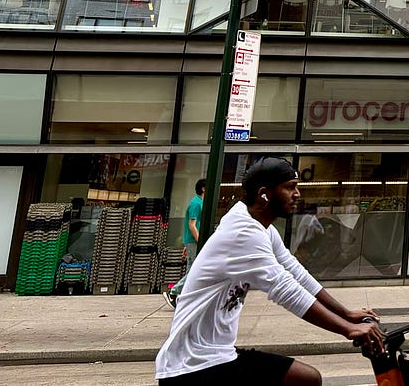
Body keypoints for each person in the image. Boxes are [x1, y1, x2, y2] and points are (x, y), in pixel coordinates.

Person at [155, 157, 384, 386]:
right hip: (190, 367)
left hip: (217, 356)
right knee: (306, 379)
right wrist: (348, 329)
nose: (297, 194)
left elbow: (295, 273)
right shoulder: (244, 232)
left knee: (305, 378)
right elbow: (285, 289)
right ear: (264, 194)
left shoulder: (262, 227)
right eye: (289, 187)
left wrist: (346, 313)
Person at [165, 178, 206, 308]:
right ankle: (174, 292)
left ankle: (182, 297)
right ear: (203, 188)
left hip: (191, 242)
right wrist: (200, 242)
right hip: (194, 241)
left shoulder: (200, 202)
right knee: (194, 270)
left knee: (192, 269)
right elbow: (192, 225)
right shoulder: (196, 203)